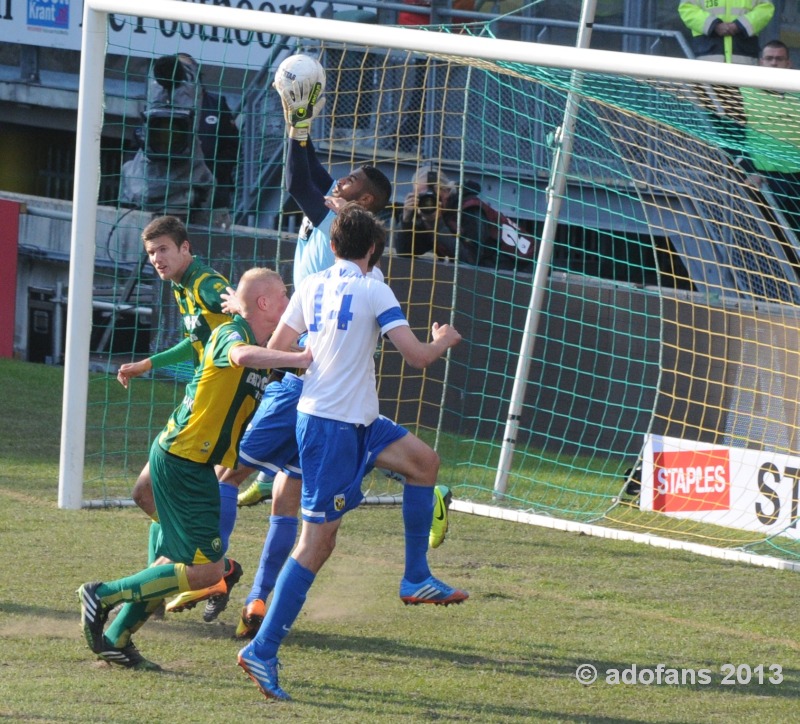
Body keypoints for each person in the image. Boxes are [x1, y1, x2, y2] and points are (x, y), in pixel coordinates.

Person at [230, 67, 451, 640]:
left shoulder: (333, 223)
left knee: (259, 479)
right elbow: (306, 177)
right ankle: (246, 593)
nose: (341, 179)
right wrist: (297, 127)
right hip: (316, 379)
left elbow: (300, 184)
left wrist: (298, 130)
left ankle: (236, 585)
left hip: (315, 377)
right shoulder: (337, 227)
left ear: (364, 205)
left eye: (352, 179)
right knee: (277, 487)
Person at [237, 204, 468, 701]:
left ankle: (415, 578)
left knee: (424, 463)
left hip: (349, 418)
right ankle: (263, 648)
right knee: (317, 543)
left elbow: (277, 344)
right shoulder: (374, 289)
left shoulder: (312, 285)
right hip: (333, 428)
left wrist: (307, 360)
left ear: (334, 246)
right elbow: (417, 357)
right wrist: (442, 340)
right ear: (373, 250)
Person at [78, 268, 312, 670]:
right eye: (284, 295)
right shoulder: (231, 334)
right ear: (264, 303)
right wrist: (301, 357)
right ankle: (103, 594)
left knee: (173, 559)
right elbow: (240, 356)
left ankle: (115, 638)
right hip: (184, 461)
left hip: (187, 460)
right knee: (207, 570)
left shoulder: (262, 340)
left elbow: (271, 355)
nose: (290, 301)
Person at [116, 215, 245, 623]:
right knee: (144, 495)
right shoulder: (180, 286)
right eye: (151, 253)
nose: (156, 258)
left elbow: (238, 308)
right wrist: (146, 364)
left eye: (163, 250)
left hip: (212, 409)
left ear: (185, 248)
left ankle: (197, 573)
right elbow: (195, 343)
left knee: (167, 491)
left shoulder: (205, 283)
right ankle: (205, 570)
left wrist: (240, 303)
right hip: (195, 403)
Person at [395, 165, 534, 272]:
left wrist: (437, 224)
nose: (428, 200)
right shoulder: (428, 214)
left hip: (523, 267)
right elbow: (405, 253)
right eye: (421, 196)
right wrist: (406, 220)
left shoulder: (470, 209)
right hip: (495, 269)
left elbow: (470, 261)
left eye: (431, 194)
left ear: (446, 191)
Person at [739, 40, 800, 236]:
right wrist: (748, 169)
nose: (774, 63)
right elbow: (729, 136)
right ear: (760, 63)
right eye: (769, 58)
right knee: (767, 239)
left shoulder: (797, 93)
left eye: (779, 59)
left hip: (796, 177)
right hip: (763, 178)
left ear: (788, 64)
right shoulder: (743, 93)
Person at [678, 1, 774, 65]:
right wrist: (714, 25)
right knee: (708, 95)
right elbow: (686, 8)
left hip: (743, 60)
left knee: (743, 95)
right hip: (708, 59)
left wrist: (739, 25)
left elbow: (766, 8)